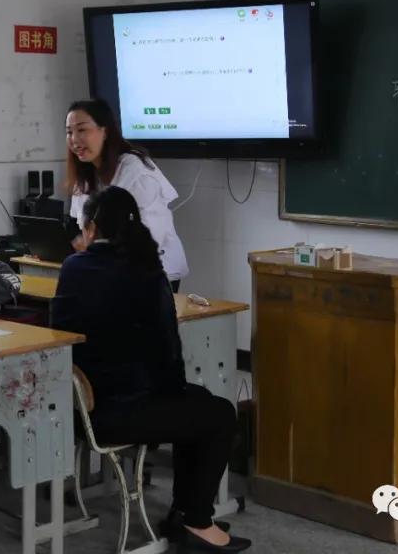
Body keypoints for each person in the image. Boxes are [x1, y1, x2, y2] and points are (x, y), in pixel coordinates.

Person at [51, 186, 250, 553]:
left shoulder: (73, 267)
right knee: (218, 414)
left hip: (81, 407)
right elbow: (167, 349)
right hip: (122, 411)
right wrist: (174, 393)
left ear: (91, 227)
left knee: (199, 404)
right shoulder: (147, 271)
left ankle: (185, 512)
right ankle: (197, 521)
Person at [65, 98, 189, 290]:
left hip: (154, 273)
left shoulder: (135, 171)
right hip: (110, 272)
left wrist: (96, 251)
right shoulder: (85, 175)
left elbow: (151, 237)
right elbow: (83, 227)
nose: (74, 139)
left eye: (82, 130)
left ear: (104, 131)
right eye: (69, 132)